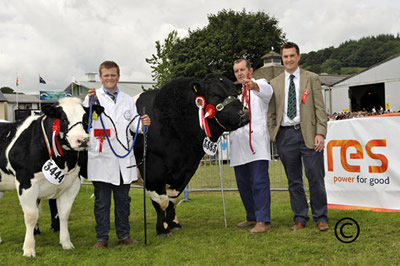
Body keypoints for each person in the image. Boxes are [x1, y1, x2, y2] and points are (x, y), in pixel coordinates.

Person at [84, 61, 151, 248]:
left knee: (123, 201)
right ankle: (101, 238)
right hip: (102, 157)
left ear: (118, 77)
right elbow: (86, 122)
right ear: (100, 77)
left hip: (123, 157)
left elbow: (132, 125)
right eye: (106, 75)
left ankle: (124, 235)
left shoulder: (128, 100)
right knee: (102, 202)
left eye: (113, 75)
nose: (110, 78)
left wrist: (143, 123)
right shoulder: (92, 98)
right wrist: (90, 104)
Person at [268, 42, 329, 232]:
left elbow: (320, 108)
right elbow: (270, 113)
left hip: (309, 135)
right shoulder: (275, 83)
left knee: (315, 177)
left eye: (292, 56)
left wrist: (321, 133)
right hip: (285, 136)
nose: (288, 60)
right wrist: (274, 134)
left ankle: (321, 217)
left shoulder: (312, 78)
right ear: (282, 58)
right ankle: (300, 217)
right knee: (294, 180)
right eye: (285, 57)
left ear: (299, 57)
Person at [230, 59, 273, 234]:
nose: (239, 73)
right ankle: (251, 216)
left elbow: (268, 92)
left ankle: (263, 221)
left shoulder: (260, 85)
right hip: (239, 146)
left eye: (242, 69)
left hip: (257, 145)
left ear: (250, 70)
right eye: (236, 71)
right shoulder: (236, 97)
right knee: (244, 184)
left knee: (259, 183)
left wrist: (254, 85)